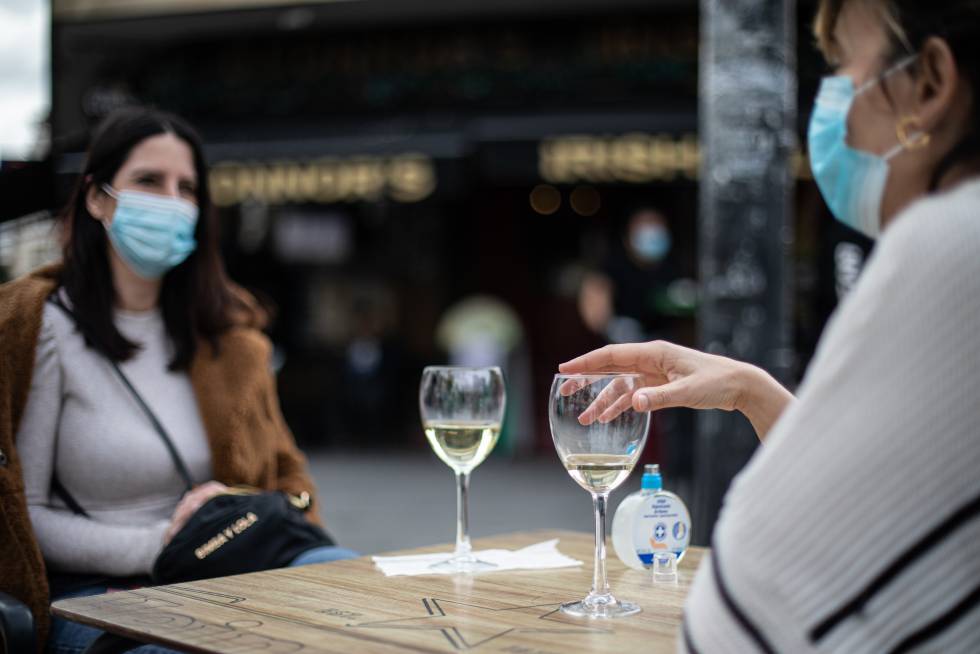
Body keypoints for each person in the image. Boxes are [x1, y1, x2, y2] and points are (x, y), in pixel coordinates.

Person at [561, 1, 980, 651]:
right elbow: (870, 509)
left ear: (929, 82)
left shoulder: (949, 240)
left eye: (841, 65)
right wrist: (750, 391)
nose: (829, 109)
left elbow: (775, 584)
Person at [0, 106, 356, 654]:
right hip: (104, 593)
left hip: (230, 569)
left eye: (187, 187)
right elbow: (25, 519)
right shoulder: (39, 327)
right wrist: (164, 544)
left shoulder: (229, 339)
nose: (171, 200)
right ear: (97, 198)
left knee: (363, 596)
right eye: (148, 181)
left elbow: (291, 479)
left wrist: (239, 508)